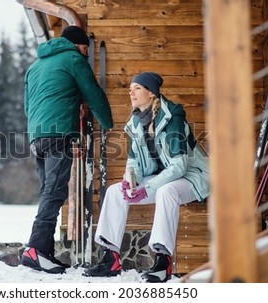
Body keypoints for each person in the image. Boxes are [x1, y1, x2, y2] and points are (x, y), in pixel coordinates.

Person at [83, 72, 209, 282]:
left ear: (151, 93)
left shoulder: (172, 119)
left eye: (137, 87)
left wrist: (148, 189)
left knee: (166, 191)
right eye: (130, 87)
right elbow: (134, 162)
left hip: (192, 176)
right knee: (116, 192)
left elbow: (179, 166)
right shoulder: (135, 122)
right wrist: (128, 180)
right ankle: (110, 257)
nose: (131, 91)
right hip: (162, 176)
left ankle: (162, 262)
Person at [21, 25, 113, 274]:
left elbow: (28, 106)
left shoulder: (34, 67)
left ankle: (45, 253)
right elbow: (92, 92)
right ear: (76, 45)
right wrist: (107, 124)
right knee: (54, 191)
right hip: (59, 133)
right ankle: (36, 249)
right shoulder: (73, 58)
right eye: (84, 48)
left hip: (36, 136)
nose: (85, 54)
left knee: (48, 191)